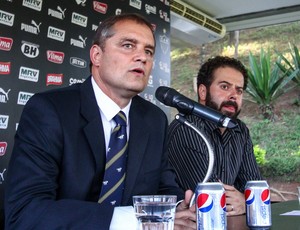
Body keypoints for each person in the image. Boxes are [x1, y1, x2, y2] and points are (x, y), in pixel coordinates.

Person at [5, 13, 196, 229]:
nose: (142, 57)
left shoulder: (154, 119)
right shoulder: (50, 110)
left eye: (149, 51)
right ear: (96, 55)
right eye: (128, 45)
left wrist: (179, 207)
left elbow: (163, 186)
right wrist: (139, 220)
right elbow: (25, 212)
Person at [167, 56, 262, 216]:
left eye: (239, 90)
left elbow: (254, 187)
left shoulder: (240, 130)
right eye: (225, 87)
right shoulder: (187, 127)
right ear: (203, 91)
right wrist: (248, 202)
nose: (234, 95)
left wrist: (246, 200)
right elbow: (212, 199)